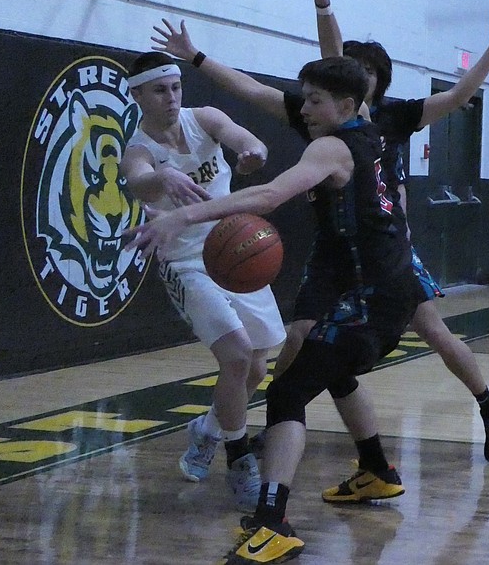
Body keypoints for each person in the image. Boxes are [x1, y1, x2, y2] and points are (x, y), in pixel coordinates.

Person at [149, 0, 489, 464]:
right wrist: (196, 57)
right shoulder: (316, 113)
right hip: (334, 251)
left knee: (434, 333)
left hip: (384, 250)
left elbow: (460, 97)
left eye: (364, 72)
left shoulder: (387, 119)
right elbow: (255, 85)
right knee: (300, 340)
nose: (352, 74)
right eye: (351, 68)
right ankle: (297, 426)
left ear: (368, 89)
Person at [129, 57, 426, 561]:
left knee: (286, 391)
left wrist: (184, 215)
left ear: (346, 106)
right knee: (333, 371)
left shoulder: (331, 145)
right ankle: (377, 471)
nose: (302, 108)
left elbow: (267, 195)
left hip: (370, 294)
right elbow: (140, 177)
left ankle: (274, 522)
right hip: (387, 286)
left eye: (313, 100)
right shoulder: (371, 132)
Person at [118, 52, 287, 513]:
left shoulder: (204, 118)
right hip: (186, 261)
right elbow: (140, 183)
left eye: (175, 87)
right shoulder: (138, 150)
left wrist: (254, 153)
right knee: (234, 358)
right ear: (137, 95)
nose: (171, 98)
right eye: (159, 90)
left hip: (235, 249)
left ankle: (208, 429)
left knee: (254, 369)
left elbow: (247, 140)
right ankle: (237, 459)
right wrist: (163, 176)